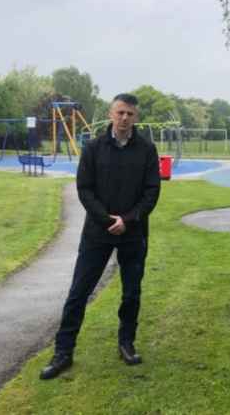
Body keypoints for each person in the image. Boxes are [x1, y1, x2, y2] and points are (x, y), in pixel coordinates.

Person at [40, 93, 161, 380]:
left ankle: (126, 343)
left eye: (130, 114)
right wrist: (107, 220)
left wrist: (128, 220)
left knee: (131, 292)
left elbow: (151, 191)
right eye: (120, 112)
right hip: (98, 232)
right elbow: (85, 189)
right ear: (111, 113)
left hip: (133, 233)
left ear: (136, 117)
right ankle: (63, 352)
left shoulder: (146, 149)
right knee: (78, 292)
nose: (124, 118)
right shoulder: (93, 148)